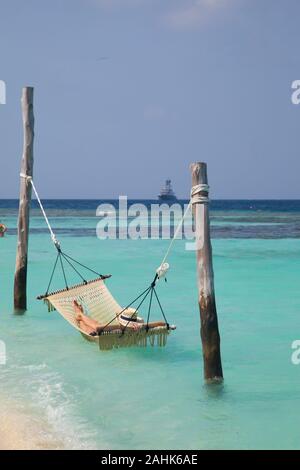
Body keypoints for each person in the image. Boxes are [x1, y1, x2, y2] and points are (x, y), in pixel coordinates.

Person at [73, 300, 168, 336]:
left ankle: (80, 314)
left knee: (93, 329)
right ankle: (80, 314)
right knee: (94, 329)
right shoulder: (117, 327)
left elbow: (159, 323)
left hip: (103, 331)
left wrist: (166, 325)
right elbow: (96, 327)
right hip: (101, 330)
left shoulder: (137, 327)